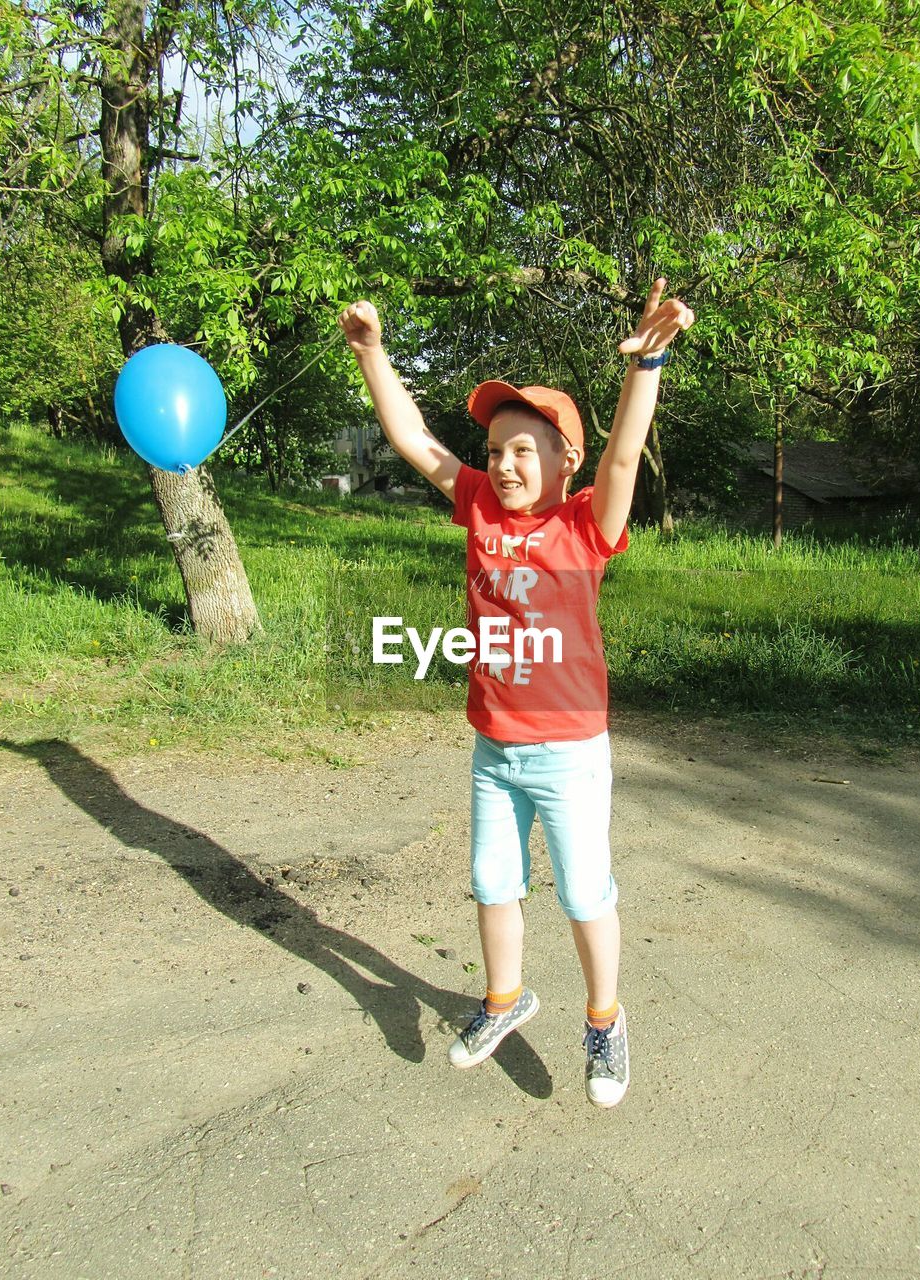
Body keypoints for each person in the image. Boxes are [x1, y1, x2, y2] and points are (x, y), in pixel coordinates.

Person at [338, 281, 694, 1107]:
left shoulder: (583, 525)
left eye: (523, 451)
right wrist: (370, 353)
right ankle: (505, 1001)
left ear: (563, 462)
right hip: (494, 749)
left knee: (581, 895)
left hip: (569, 754)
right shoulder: (479, 509)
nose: (502, 464)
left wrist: (647, 366)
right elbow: (413, 440)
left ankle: (604, 1021)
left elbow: (622, 458)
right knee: (493, 885)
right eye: (495, 450)